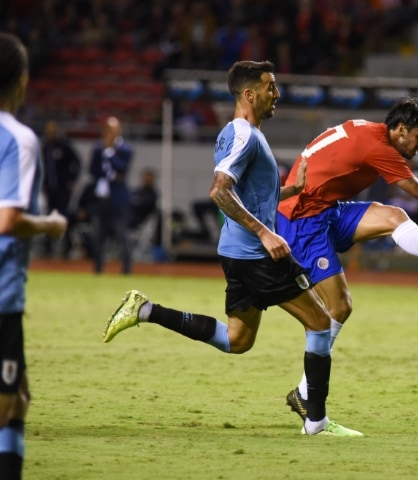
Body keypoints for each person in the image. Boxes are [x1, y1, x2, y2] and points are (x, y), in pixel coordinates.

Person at [102, 60, 361, 437]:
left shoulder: (238, 133)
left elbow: (247, 195)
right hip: (257, 254)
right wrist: (265, 233)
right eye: (271, 87)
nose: (277, 94)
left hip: (239, 253)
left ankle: (145, 310)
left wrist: (290, 191)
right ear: (249, 94)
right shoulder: (245, 135)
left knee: (236, 340)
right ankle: (317, 422)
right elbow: (219, 191)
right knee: (321, 321)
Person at [276, 96, 418, 422]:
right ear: (399, 129)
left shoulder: (368, 131)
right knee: (339, 308)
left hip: (325, 209)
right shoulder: (379, 147)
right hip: (301, 220)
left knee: (394, 216)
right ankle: (306, 394)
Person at [0, 32, 68, 480]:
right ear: (23, 81)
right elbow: (9, 220)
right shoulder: (19, 139)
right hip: (2, 295)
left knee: (19, 396)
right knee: (7, 404)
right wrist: (51, 224)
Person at [89, 116, 134, 274]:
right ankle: (98, 268)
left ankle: (127, 269)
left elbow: (122, 169)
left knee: (122, 235)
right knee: (98, 235)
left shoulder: (125, 149)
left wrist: (109, 152)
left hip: (118, 199)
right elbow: (93, 170)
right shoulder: (97, 148)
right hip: (101, 197)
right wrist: (109, 175)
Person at [40, 119, 80, 257]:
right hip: (51, 189)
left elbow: (77, 162)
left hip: (63, 189)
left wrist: (72, 180)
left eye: (53, 131)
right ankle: (48, 247)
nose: (50, 133)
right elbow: (45, 167)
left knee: (63, 215)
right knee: (49, 216)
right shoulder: (45, 147)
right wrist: (44, 183)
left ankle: (66, 246)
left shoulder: (64, 145)